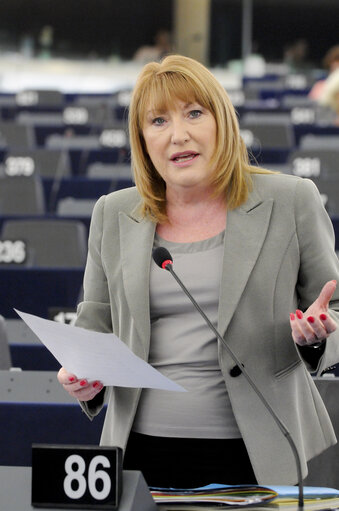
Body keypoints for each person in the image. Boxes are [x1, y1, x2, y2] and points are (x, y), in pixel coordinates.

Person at [58, 55, 339, 488]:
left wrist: (319, 335)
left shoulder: (292, 200)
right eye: (158, 121)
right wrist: (83, 376)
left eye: (194, 113)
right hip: (141, 454)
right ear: (142, 139)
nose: (179, 135)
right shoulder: (113, 213)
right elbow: (95, 325)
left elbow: (334, 309)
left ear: (221, 121)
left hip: (266, 453)